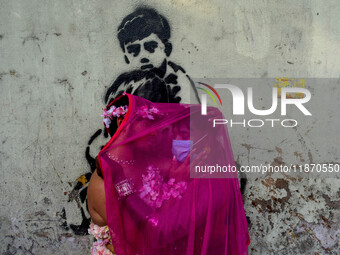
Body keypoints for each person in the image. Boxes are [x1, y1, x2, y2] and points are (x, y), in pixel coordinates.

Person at [87, 93, 250, 254]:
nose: (155, 132)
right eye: (147, 124)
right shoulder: (103, 184)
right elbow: (143, 238)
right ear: (122, 121)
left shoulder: (147, 162)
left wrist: (203, 120)